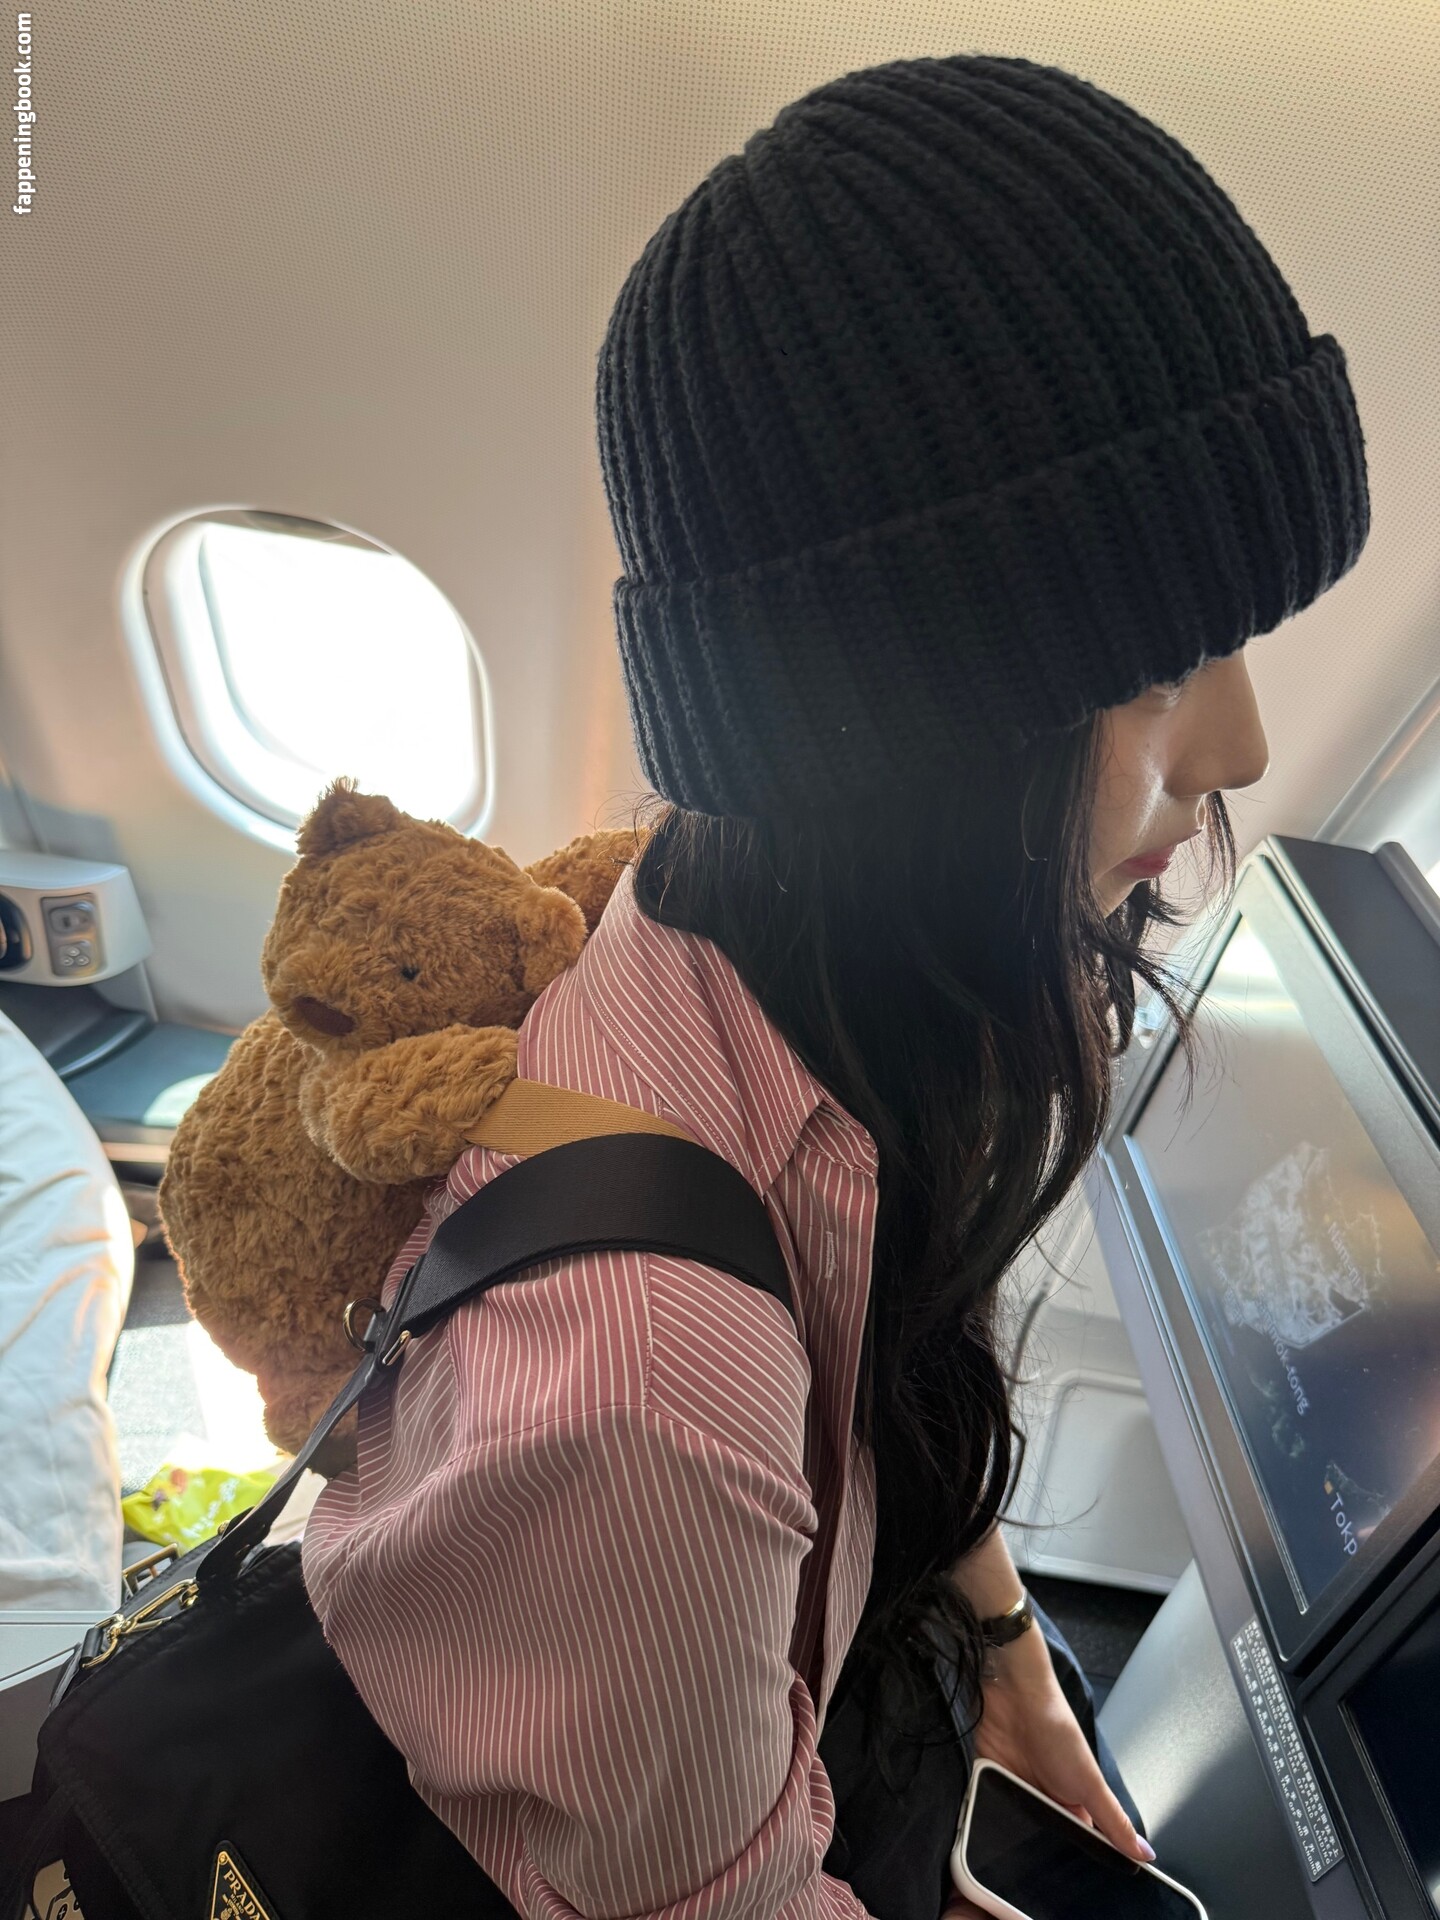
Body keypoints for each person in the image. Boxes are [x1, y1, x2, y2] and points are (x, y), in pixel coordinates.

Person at [301, 51, 1369, 1920]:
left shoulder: (772, 943)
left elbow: (893, 1325)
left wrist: (1007, 1654)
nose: (1245, 747)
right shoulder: (651, 1395)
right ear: (908, 729)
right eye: (1156, 667)